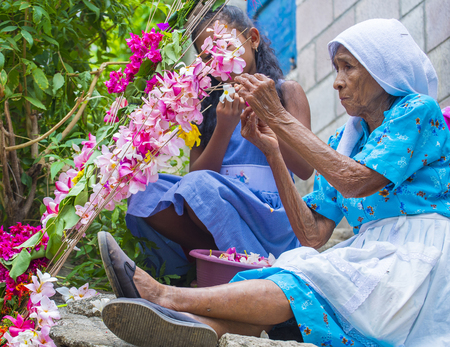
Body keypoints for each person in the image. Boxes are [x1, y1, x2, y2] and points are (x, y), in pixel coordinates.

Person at [99, 18, 450, 347]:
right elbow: (312, 234)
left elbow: (355, 182)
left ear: (382, 68)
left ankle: (165, 297)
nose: (337, 81)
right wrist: (272, 153)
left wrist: (279, 118)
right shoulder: (346, 140)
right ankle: (192, 326)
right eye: (336, 68)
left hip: (419, 255)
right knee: (294, 267)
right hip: (372, 250)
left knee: (303, 275)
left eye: (348, 67)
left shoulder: (416, 110)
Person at [125, 5, 313, 276]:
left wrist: (270, 114)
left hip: (271, 214)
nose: (220, 59)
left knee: (199, 186)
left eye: (226, 45)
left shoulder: (288, 92)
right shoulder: (203, 106)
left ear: (254, 39)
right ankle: (214, 260)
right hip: (217, 204)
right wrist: (224, 128)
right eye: (210, 54)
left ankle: (253, 267)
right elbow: (196, 181)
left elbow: (305, 168)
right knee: (143, 191)